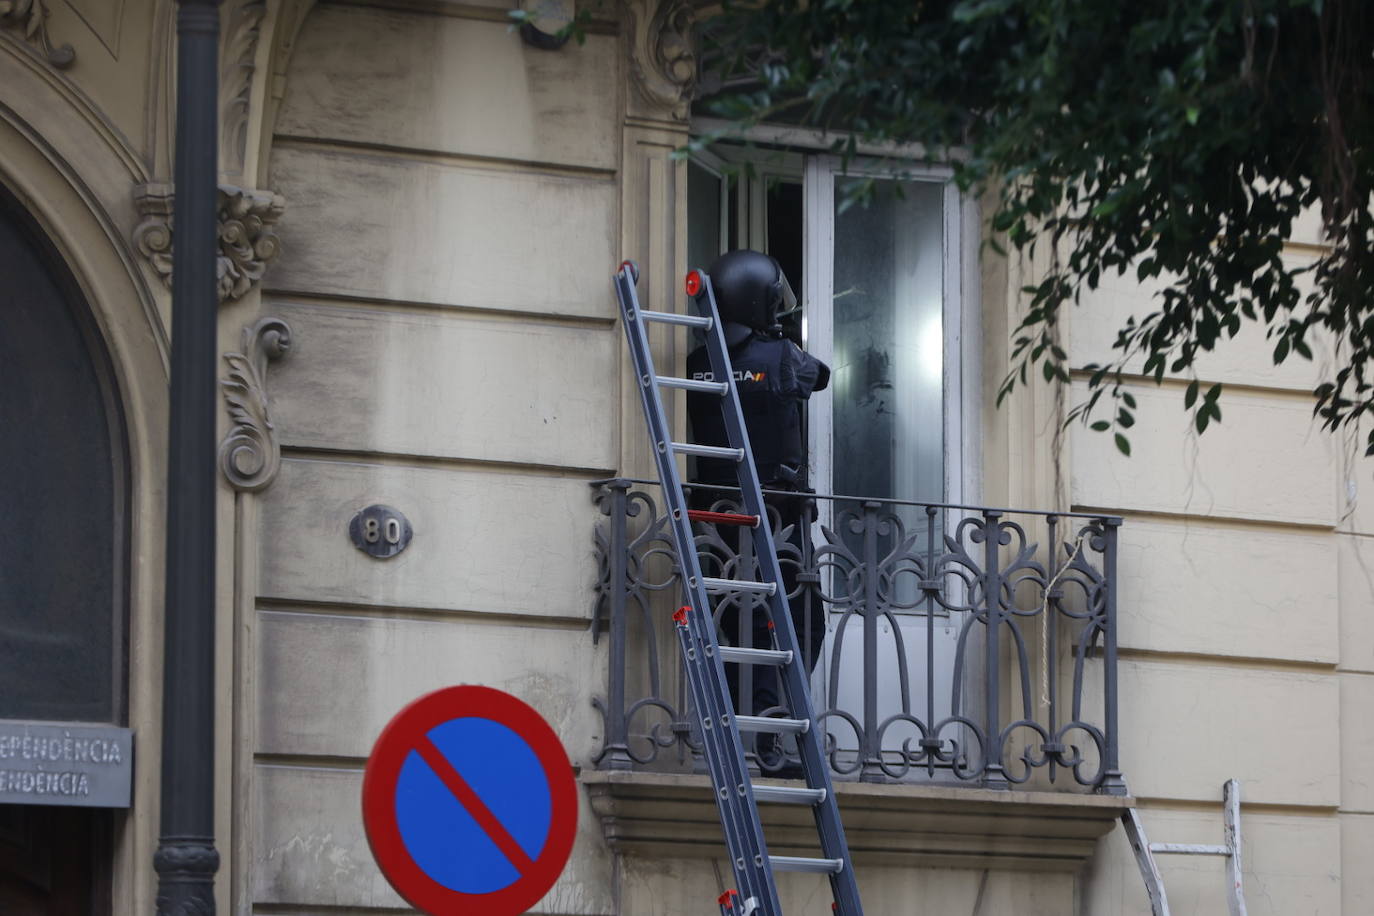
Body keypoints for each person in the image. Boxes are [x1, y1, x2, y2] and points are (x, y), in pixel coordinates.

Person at [685, 250, 829, 774]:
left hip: (717, 518)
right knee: (799, 623)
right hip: (777, 514)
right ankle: (769, 740)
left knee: (738, 623)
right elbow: (823, 376)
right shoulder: (782, 357)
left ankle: (737, 733)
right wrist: (780, 346)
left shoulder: (697, 362)